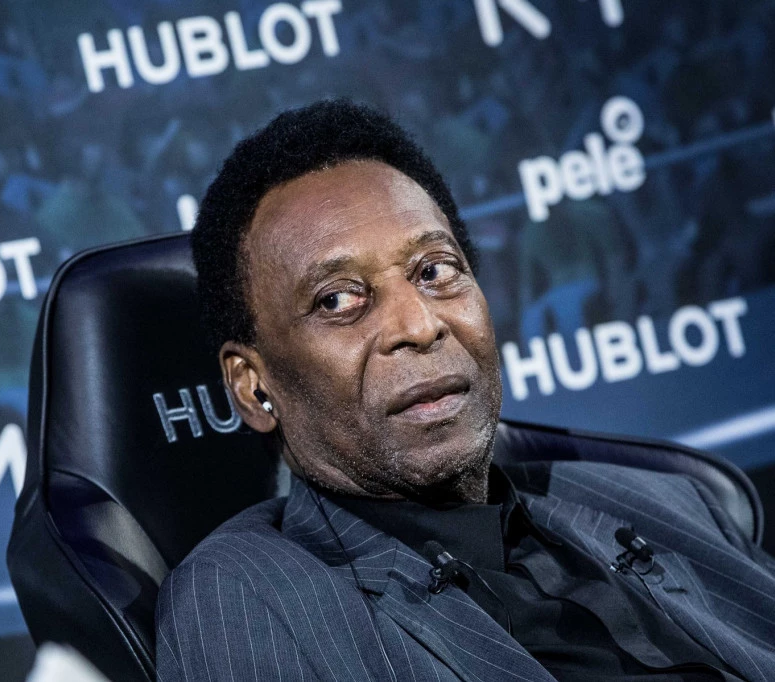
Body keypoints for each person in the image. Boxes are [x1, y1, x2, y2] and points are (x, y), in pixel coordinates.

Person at [154, 100, 775, 681]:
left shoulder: (666, 500)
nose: (419, 324)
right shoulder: (245, 596)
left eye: (434, 271)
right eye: (338, 300)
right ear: (253, 387)